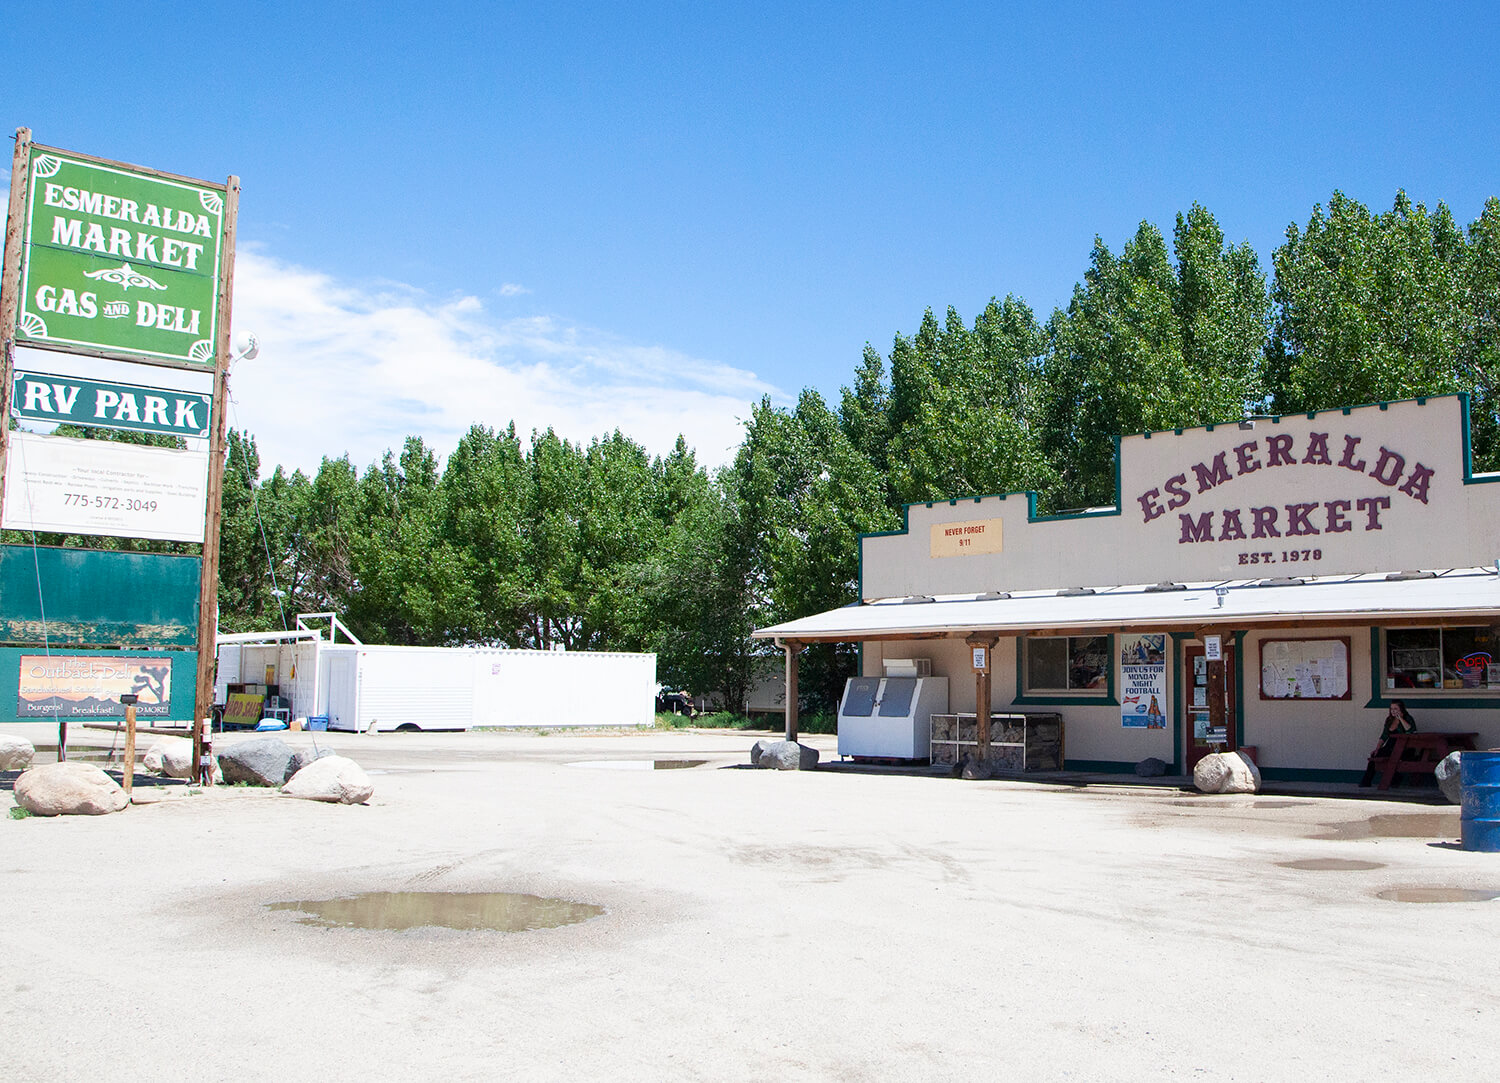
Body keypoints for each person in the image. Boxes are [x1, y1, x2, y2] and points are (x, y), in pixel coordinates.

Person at [1359, 700, 1417, 786]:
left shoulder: (1408, 718)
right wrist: (1377, 748)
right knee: (1375, 755)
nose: (1393, 711)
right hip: (1390, 746)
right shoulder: (1389, 720)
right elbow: (1384, 736)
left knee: (1393, 759)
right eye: (1391, 709)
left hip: (1404, 748)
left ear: (1401, 709)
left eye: (1395, 709)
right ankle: (1366, 781)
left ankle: (1395, 779)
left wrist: (1400, 718)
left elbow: (1410, 730)